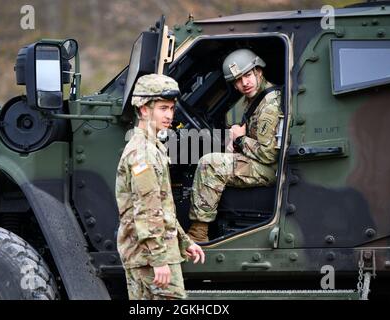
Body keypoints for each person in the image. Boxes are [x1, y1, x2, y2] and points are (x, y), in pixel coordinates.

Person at [115, 73, 205, 300]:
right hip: (150, 257)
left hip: (152, 253)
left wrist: (185, 241)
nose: (169, 115)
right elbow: (147, 210)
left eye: (172, 109)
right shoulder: (142, 153)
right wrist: (159, 260)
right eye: (163, 108)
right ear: (144, 109)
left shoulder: (152, 147)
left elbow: (162, 206)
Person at [187, 49, 283, 243]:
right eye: (238, 80)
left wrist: (239, 139)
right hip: (260, 162)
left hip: (269, 168)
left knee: (210, 164)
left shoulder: (269, 106)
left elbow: (268, 155)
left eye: (247, 75)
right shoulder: (257, 98)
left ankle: (198, 234)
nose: (244, 83)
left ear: (259, 71)